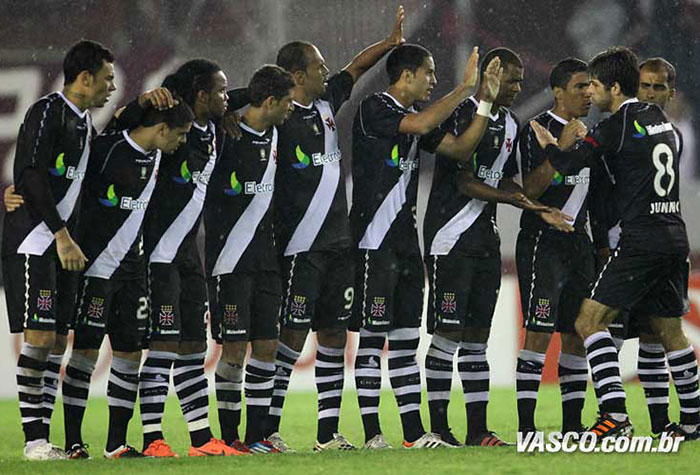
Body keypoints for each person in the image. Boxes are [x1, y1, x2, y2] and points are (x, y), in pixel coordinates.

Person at [530, 46, 699, 439]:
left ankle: (616, 418)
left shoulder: (617, 125)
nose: (591, 93)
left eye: (596, 85)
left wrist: (550, 145)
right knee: (671, 333)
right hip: (674, 236)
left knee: (589, 321)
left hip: (640, 240)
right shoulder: (661, 120)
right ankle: (692, 421)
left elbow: (571, 166)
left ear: (615, 88)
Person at [264, 6, 407, 452]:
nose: (328, 72)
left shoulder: (326, 103)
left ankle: (328, 433)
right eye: (318, 67)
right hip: (300, 246)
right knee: (290, 338)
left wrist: (389, 44)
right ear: (294, 75)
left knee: (332, 336)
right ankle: (266, 429)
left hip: (338, 244)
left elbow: (356, 68)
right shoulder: (278, 117)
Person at [421, 47, 572, 448]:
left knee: (476, 340)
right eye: (512, 79)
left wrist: (537, 206)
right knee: (447, 334)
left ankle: (478, 432)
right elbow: (464, 181)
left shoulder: (510, 122)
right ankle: (438, 429)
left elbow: (504, 180)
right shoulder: (463, 113)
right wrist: (515, 201)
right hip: (450, 237)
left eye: (521, 80)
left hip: (486, 240)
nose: (519, 87)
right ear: (490, 76)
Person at [110, 59, 245, 457]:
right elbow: (116, 132)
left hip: (189, 256)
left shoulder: (211, 127)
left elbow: (239, 99)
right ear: (200, 95)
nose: (227, 97)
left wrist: (231, 108)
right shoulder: (168, 125)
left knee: (193, 348)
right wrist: (138, 105)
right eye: (220, 91)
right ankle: (153, 438)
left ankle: (201, 439)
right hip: (157, 255)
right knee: (164, 346)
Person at [60, 100, 193, 459]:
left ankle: (116, 443)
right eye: (178, 135)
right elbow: (66, 183)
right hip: (96, 270)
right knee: (85, 354)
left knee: (129, 355)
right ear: (161, 128)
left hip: (133, 271)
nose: (181, 144)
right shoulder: (107, 149)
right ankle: (73, 441)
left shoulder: (157, 155)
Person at [1, 40, 115, 460]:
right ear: (84, 78)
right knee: (42, 336)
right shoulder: (48, 111)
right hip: (35, 241)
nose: (111, 87)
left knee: (57, 343)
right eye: (106, 79)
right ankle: (34, 442)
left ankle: (45, 440)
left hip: (63, 247)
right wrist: (62, 233)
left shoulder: (85, 124)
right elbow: (30, 173)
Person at [591, 56, 687, 437]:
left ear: (670, 93)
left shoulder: (625, 128)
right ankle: (677, 423)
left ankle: (624, 418)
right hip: (639, 241)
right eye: (645, 86)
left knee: (640, 333)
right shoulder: (664, 133)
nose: (650, 93)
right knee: (634, 332)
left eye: (657, 88)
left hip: (636, 243)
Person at [206, 64, 295, 454]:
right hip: (229, 262)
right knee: (234, 351)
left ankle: (258, 436)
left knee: (266, 348)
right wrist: (234, 105)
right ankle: (229, 438)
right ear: (271, 101)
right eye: (287, 101)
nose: (293, 108)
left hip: (266, 261)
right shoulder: (224, 135)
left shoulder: (276, 132)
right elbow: (210, 109)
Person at [514, 58, 593, 436]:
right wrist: (560, 148)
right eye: (580, 86)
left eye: (591, 86)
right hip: (542, 244)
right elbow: (528, 190)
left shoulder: (593, 134)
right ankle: (527, 430)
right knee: (539, 332)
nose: (589, 93)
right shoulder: (535, 130)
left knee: (577, 332)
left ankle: (573, 427)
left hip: (580, 244)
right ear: (558, 91)